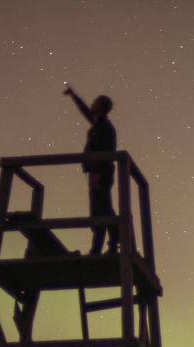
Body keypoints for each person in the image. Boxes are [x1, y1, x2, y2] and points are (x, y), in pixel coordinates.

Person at [64, 86, 118, 254]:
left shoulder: (103, 126)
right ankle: (106, 245)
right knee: (102, 209)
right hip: (99, 173)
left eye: (95, 103)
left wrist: (96, 173)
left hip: (100, 173)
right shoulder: (100, 123)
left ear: (100, 106)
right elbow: (86, 112)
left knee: (100, 210)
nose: (92, 105)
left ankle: (106, 245)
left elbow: (104, 151)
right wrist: (75, 96)